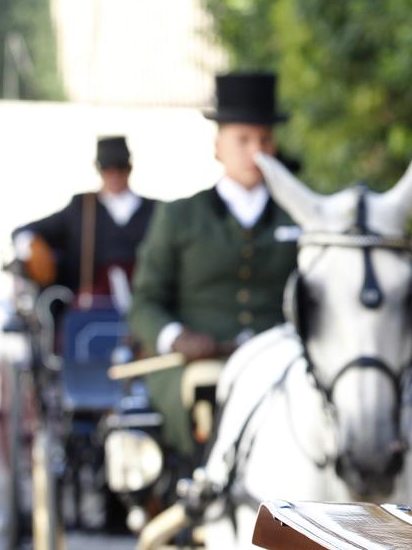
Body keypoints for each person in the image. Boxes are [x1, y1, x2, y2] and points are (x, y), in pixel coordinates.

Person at [127, 72, 299, 460]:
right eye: (244, 139)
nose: (256, 152)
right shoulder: (179, 216)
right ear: (218, 146)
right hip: (196, 364)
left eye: (265, 140)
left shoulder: (297, 217)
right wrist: (176, 337)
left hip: (281, 360)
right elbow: (144, 302)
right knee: (204, 399)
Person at [13, 135, 155, 308]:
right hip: (91, 304)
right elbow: (28, 231)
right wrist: (32, 248)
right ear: (98, 169)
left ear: (130, 167)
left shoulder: (154, 210)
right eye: (107, 169)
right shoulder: (81, 207)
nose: (115, 175)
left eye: (120, 167)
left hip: (145, 302)